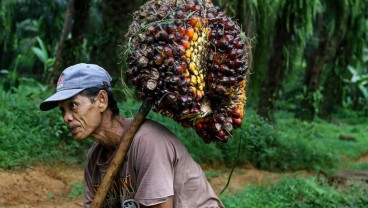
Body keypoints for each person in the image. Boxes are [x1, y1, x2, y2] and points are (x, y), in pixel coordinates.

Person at [40, 63, 224, 208]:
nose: (66, 118)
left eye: (73, 105)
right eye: (62, 111)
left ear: (101, 100)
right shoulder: (94, 159)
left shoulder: (147, 142)